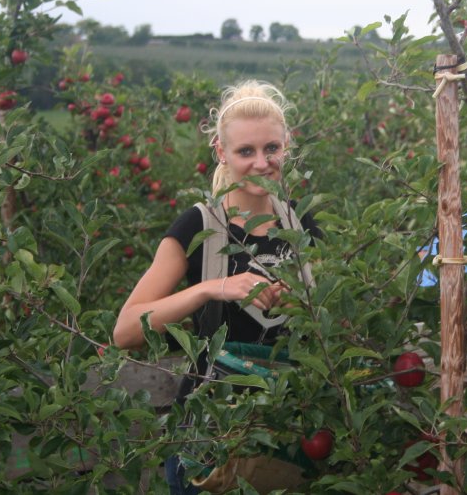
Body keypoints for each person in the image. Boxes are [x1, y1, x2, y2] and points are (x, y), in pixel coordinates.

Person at [112, 79, 321, 494]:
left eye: (272, 149)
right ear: (222, 153)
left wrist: (300, 305)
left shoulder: (303, 225)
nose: (262, 162)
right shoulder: (199, 226)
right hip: (211, 441)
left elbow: (328, 326)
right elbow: (126, 330)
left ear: (286, 147)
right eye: (246, 151)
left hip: (285, 435)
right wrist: (212, 289)